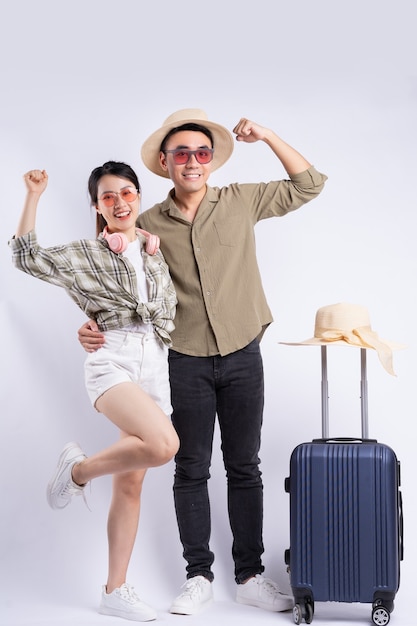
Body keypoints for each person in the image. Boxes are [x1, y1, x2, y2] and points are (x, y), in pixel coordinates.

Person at [78, 110, 328, 615]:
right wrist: (89, 325)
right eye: (181, 154)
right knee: (189, 468)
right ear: (165, 164)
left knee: (244, 466)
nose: (192, 161)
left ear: (210, 161)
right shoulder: (144, 223)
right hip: (183, 358)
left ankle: (251, 575)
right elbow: (110, 278)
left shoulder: (240, 200)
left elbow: (309, 184)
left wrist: (269, 135)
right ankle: (198, 576)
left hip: (242, 351)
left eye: (201, 152)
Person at [10, 161, 179, 622]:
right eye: (108, 197)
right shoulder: (88, 252)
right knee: (164, 446)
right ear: (97, 207)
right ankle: (78, 471)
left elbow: (165, 317)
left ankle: (114, 589)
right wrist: (34, 196)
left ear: (139, 197)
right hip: (113, 362)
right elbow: (27, 259)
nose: (120, 202)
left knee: (131, 483)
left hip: (155, 366)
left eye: (127, 193)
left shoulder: (152, 252)